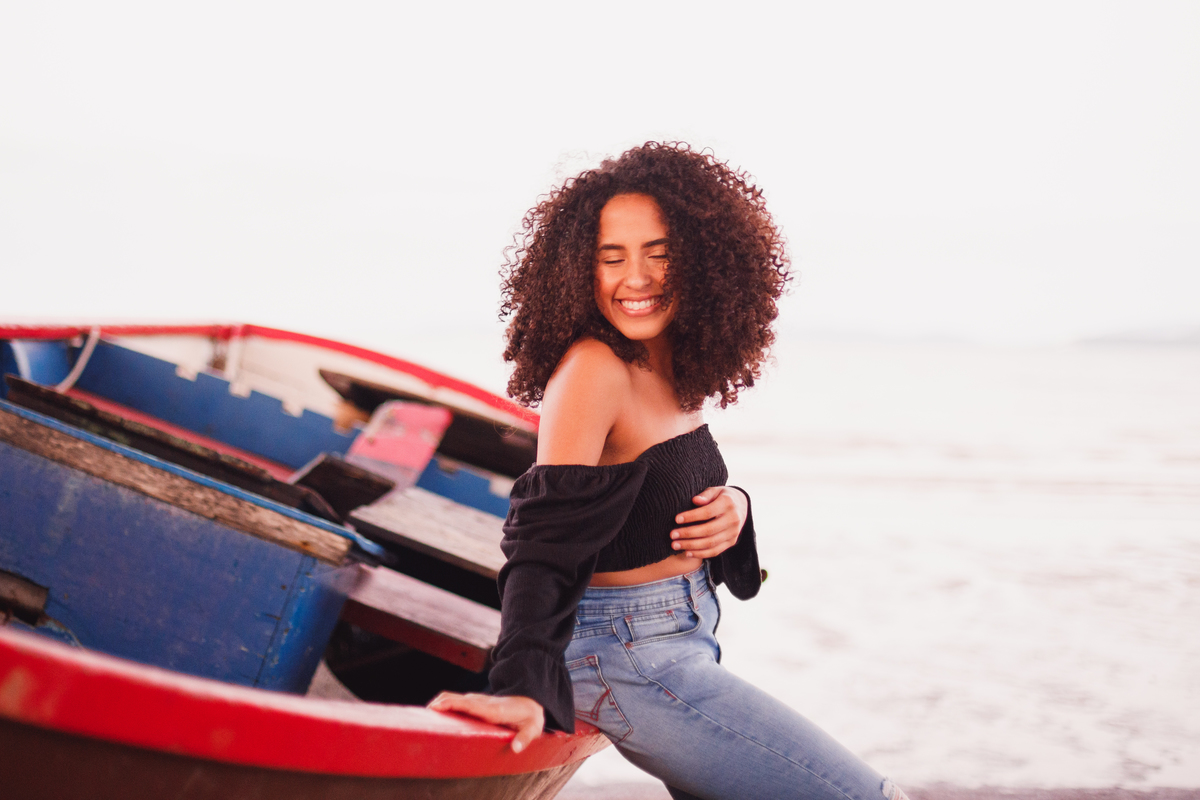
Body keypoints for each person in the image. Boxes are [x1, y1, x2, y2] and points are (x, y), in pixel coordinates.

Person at [429, 142, 906, 800]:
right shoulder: (595, 369)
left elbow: (663, 485)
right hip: (625, 654)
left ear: (702, 260)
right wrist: (519, 688)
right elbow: (541, 540)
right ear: (578, 267)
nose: (637, 278)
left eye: (659, 252)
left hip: (680, 636)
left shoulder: (670, 358)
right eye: (611, 256)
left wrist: (735, 508)